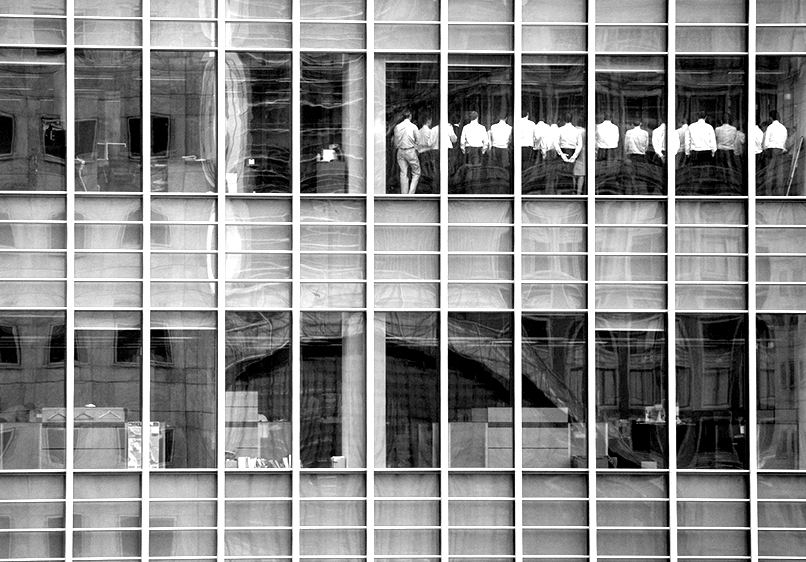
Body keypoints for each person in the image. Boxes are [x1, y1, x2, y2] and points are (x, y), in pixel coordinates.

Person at [460, 110, 489, 192]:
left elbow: (462, 141)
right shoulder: (482, 127)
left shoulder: (465, 127)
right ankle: (476, 189)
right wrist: (483, 151)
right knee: (477, 169)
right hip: (478, 149)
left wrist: (463, 150)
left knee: (468, 169)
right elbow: (486, 141)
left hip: (469, 149)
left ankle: (468, 188)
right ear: (477, 118)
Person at [554, 112, 583, 193]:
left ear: (563, 119)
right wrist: (574, 156)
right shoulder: (577, 131)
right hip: (572, 151)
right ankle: (572, 191)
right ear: (572, 119)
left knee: (560, 172)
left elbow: (556, 143)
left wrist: (562, 155)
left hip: (563, 150)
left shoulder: (560, 130)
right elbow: (580, 145)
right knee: (572, 173)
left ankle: (559, 191)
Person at [393, 109, 420, 194]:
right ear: (410, 116)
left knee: (403, 172)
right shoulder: (413, 127)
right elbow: (418, 140)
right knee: (416, 172)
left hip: (400, 151)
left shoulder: (397, 127)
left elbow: (395, 142)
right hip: (410, 150)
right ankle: (411, 193)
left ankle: (404, 194)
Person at [763, 110, 788, 195]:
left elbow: (766, 142)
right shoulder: (783, 127)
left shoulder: (770, 127)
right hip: (780, 150)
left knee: (769, 172)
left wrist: (765, 149)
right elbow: (784, 140)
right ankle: (780, 193)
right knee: (780, 173)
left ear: (770, 118)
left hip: (771, 150)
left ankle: (768, 193)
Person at [715, 114, 740, 192]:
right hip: (730, 150)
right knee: (730, 167)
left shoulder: (717, 129)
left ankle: (722, 181)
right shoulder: (734, 129)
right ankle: (731, 182)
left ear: (721, 120)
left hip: (721, 149)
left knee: (720, 167)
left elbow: (716, 139)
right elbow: (734, 139)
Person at [624, 120, 649, 194]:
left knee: (632, 173)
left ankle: (634, 188)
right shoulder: (645, 133)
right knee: (640, 172)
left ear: (632, 124)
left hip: (632, 154)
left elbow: (626, 144)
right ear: (641, 124)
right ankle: (639, 189)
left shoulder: (629, 132)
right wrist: (644, 151)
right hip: (641, 154)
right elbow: (646, 145)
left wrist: (625, 153)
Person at [416, 114, 439, 191]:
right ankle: (431, 189)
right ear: (428, 121)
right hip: (428, 153)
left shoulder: (418, 132)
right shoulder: (430, 131)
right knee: (431, 173)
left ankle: (423, 189)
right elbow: (431, 143)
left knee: (423, 173)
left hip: (420, 153)